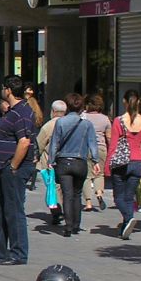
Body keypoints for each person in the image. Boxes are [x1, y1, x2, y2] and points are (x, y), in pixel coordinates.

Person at [0, 75, 36, 266]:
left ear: (9, 90)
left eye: (3, 88)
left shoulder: (22, 112)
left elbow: (24, 142)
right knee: (0, 209)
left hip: (14, 168)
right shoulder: (13, 111)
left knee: (13, 210)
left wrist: (13, 165)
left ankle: (18, 252)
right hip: (3, 167)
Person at [49, 93, 100, 238]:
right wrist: (95, 161)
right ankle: (76, 225)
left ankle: (68, 226)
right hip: (80, 162)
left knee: (67, 194)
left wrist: (51, 160)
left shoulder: (60, 122)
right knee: (77, 194)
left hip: (63, 162)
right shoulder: (87, 124)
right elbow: (93, 144)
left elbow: (54, 143)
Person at [106, 89, 141, 240]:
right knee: (129, 198)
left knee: (118, 197)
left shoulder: (119, 121)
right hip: (137, 163)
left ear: (124, 101)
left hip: (121, 163)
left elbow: (113, 146)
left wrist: (107, 167)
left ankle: (128, 217)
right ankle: (125, 228)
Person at [35, 100, 66, 226]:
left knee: (53, 186)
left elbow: (39, 144)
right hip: (66, 159)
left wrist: (35, 157)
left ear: (53, 111)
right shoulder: (69, 123)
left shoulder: (48, 126)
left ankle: (57, 211)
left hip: (50, 161)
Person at [82, 93, 111, 212]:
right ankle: (99, 193)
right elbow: (109, 137)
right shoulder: (105, 119)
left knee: (87, 176)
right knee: (99, 174)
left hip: (87, 148)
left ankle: (88, 202)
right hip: (101, 148)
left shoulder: (83, 117)